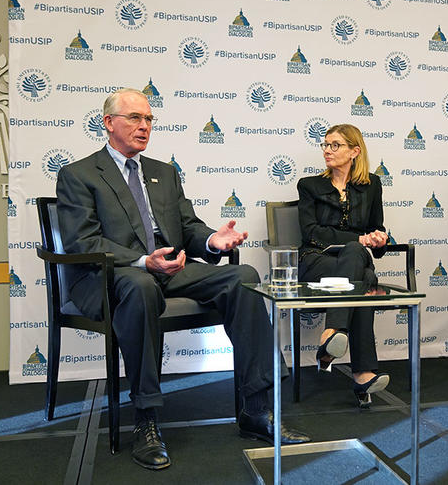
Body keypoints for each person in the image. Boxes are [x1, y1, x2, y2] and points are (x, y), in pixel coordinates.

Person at [55, 88, 310, 471]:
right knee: (139, 286)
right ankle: (146, 419)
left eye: (149, 119)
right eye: (134, 118)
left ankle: (257, 408)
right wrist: (143, 261)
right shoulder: (79, 175)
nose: (144, 126)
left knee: (243, 276)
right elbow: (82, 241)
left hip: (169, 269)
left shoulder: (163, 173)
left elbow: (187, 226)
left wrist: (212, 239)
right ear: (108, 123)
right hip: (109, 276)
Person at [296, 124, 390, 408]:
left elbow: (377, 228)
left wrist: (379, 238)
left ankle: (331, 337)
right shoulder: (310, 185)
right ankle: (362, 373)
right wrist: (359, 239)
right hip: (315, 261)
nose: (327, 150)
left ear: (354, 151)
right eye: (325, 144)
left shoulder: (371, 185)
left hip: (354, 259)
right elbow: (311, 232)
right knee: (362, 278)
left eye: (335, 145)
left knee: (356, 258)